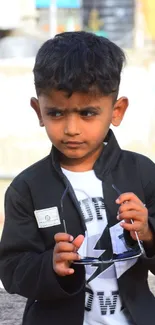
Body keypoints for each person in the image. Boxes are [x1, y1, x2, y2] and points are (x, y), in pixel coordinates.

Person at [0, 31, 155, 325]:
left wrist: (148, 233)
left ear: (116, 111)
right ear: (39, 111)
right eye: (56, 113)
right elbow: (11, 270)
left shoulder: (143, 173)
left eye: (87, 113)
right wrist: (50, 265)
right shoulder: (26, 188)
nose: (71, 128)